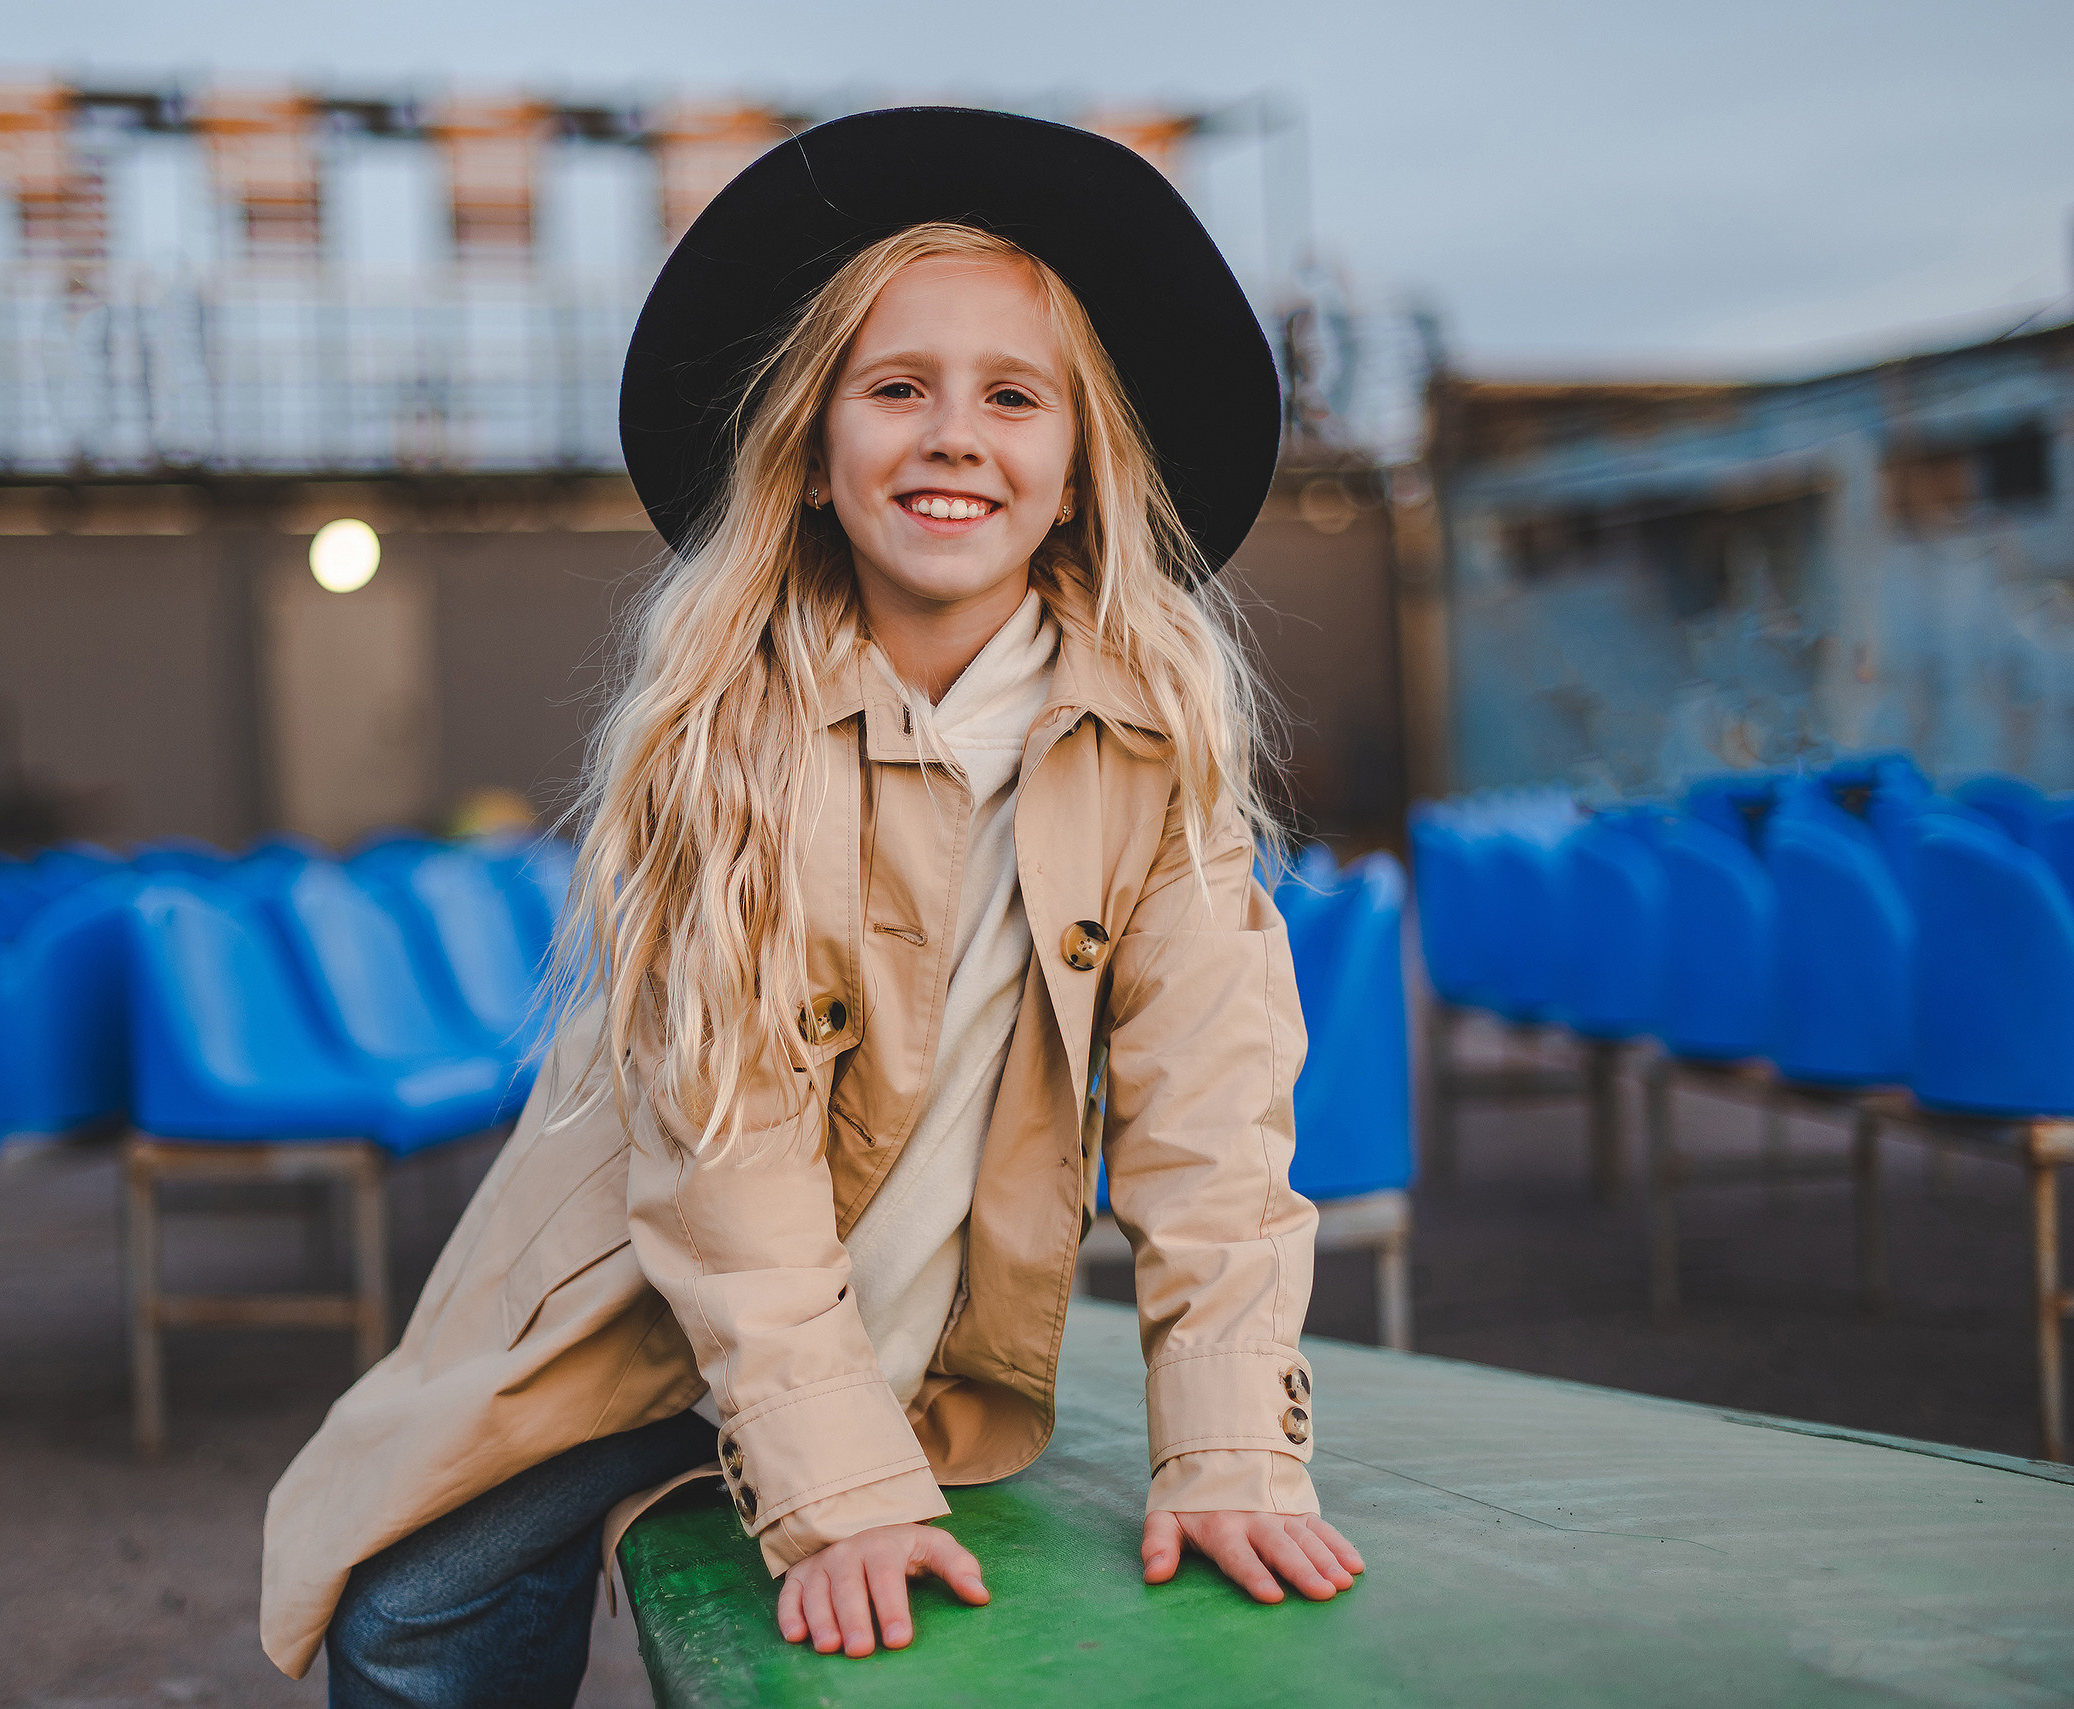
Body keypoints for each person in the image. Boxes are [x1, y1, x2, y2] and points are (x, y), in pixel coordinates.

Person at [260, 107, 1363, 1708]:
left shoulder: (1158, 744)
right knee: (416, 1611)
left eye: (1012, 395)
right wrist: (831, 1483)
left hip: (922, 1321)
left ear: (1076, 474)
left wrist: (1226, 1445)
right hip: (646, 1294)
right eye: (896, 388)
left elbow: (1219, 1123)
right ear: (815, 455)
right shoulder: (727, 739)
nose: (953, 434)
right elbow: (728, 1162)